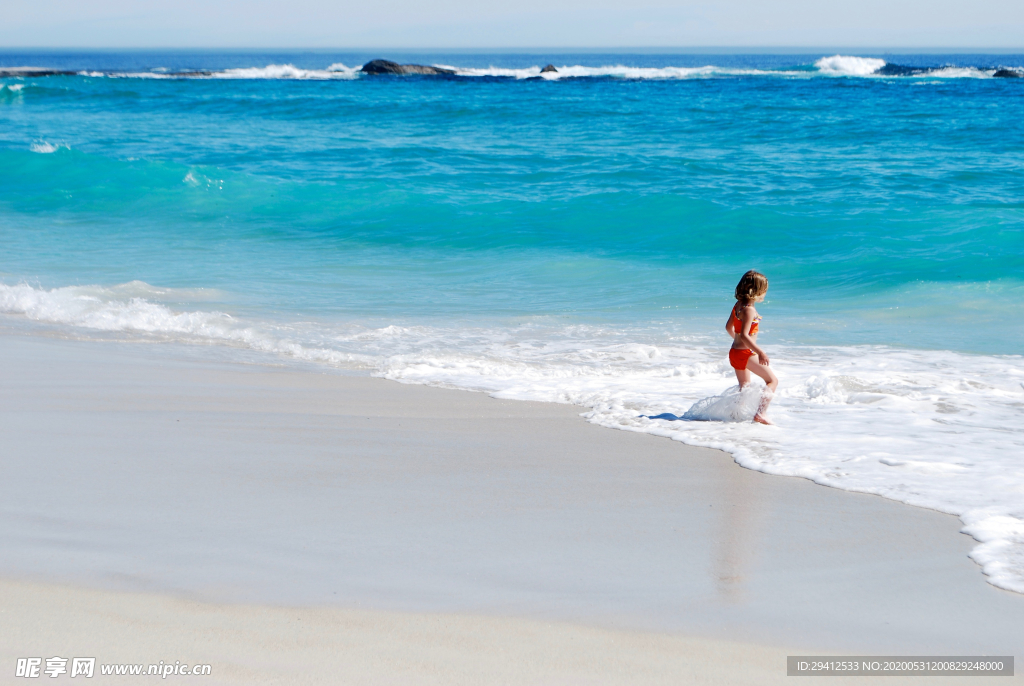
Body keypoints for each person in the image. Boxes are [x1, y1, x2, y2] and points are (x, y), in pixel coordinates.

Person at [725, 270, 778, 424]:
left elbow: (729, 328)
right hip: (745, 353)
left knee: (744, 387)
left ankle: (735, 415)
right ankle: (761, 413)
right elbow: (745, 335)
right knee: (772, 381)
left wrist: (737, 344)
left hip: (734, 352)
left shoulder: (738, 306)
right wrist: (760, 352)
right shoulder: (749, 309)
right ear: (757, 291)